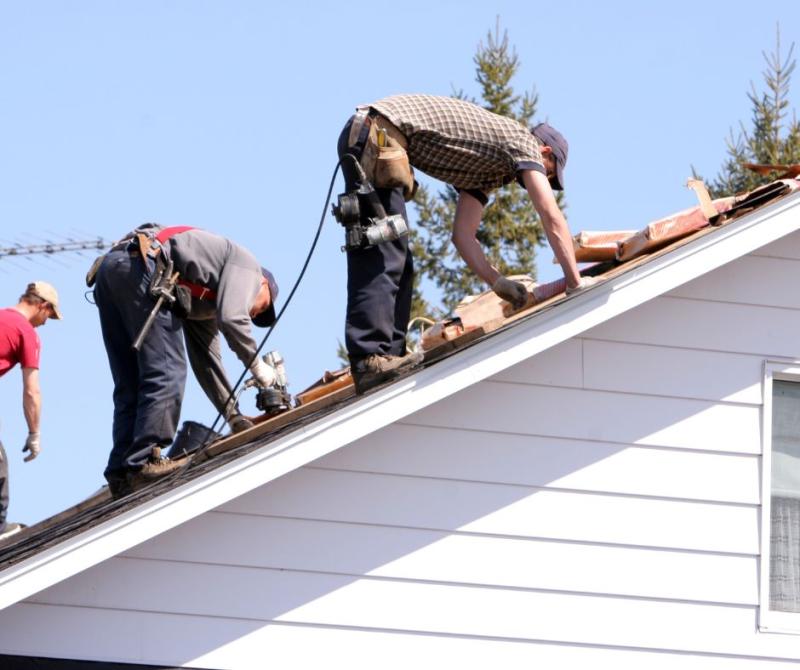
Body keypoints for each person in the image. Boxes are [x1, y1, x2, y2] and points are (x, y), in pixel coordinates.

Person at [337, 93, 592, 394]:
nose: (544, 179)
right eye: (549, 171)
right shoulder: (523, 143)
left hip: (379, 135)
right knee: (384, 250)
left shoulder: (487, 171)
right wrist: (575, 282)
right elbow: (550, 215)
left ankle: (388, 358)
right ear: (544, 151)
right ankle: (370, 360)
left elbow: (463, 236)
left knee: (399, 260)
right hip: (378, 132)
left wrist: (497, 282)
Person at [93, 225, 279, 498]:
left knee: (132, 382)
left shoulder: (204, 298)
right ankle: (144, 462)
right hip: (143, 266)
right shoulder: (248, 267)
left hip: (114, 269)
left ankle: (122, 473)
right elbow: (233, 320)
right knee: (167, 372)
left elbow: (207, 361)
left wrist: (233, 416)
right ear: (263, 283)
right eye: (262, 306)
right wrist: (257, 366)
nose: (253, 313)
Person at [0, 282, 62, 542]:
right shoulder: (26, 332)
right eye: (49, 315)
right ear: (42, 306)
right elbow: (31, 391)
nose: (45, 323)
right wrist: (34, 433)